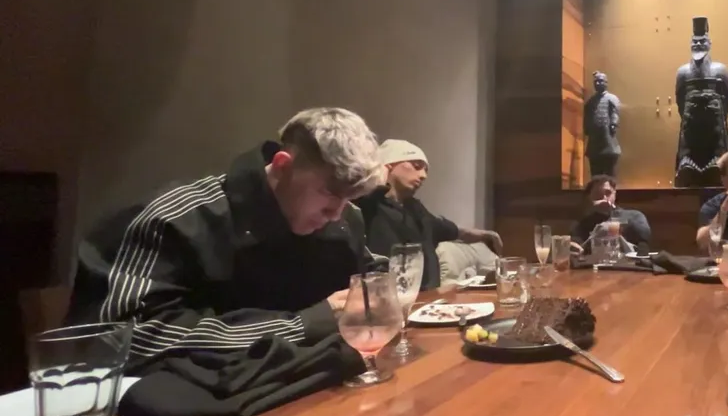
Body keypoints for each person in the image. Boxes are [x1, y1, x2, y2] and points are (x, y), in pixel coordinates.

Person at [66, 108, 384, 371]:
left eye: (348, 199)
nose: (336, 214)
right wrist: (302, 325)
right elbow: (120, 340)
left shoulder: (346, 221)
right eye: (329, 193)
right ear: (283, 166)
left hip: (304, 400)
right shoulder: (174, 220)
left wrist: (385, 292)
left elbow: (370, 285)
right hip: (174, 415)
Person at [356, 139, 503, 290]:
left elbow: (454, 231)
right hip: (387, 297)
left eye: (425, 170)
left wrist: (487, 235)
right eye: (416, 166)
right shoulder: (366, 205)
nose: (423, 175)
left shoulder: (417, 210)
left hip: (429, 299)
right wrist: (377, 175)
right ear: (388, 165)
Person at [571, 174, 651, 252]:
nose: (604, 197)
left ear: (615, 194)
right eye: (597, 193)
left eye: (608, 193)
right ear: (589, 197)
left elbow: (644, 239)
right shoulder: (584, 222)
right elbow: (575, 243)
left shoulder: (633, 216)